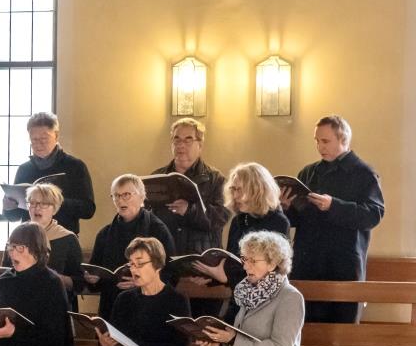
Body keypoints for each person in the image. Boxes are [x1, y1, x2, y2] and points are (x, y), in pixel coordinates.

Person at [281, 115, 384, 324]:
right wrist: (285, 207)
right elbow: (297, 219)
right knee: (306, 330)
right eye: (317, 141)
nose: (320, 146)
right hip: (308, 263)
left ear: (343, 139)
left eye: (325, 141)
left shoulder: (364, 173)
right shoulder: (309, 172)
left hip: (343, 265)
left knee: (341, 331)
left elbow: (373, 214)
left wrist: (333, 205)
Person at [192, 163, 290, 320]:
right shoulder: (238, 220)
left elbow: (271, 273)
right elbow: (234, 262)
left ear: (257, 189)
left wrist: (225, 277)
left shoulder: (278, 221)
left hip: (266, 304)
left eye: (240, 190)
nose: (235, 196)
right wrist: (210, 276)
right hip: (239, 300)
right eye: (233, 189)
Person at [86, 174, 175, 321]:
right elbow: (95, 272)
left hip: (148, 307)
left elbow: (170, 272)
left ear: (142, 197)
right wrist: (93, 279)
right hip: (112, 306)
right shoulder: (105, 233)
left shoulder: (157, 230)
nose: (120, 200)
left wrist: (141, 281)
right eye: (116, 196)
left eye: (126, 195)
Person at [3, 111, 95, 234]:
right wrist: (8, 208)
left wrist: (54, 201)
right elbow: (15, 216)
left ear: (56, 136)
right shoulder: (24, 169)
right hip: (30, 238)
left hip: (63, 238)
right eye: (34, 139)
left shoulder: (75, 166)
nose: (38, 144)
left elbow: (88, 210)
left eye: (44, 138)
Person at [150, 118, 229, 256]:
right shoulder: (156, 177)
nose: (181, 145)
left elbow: (220, 218)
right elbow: (148, 219)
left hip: (202, 262)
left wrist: (190, 210)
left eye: (188, 140)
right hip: (165, 261)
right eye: (177, 139)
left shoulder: (216, 179)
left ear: (200, 145)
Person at [2, 183, 81, 310]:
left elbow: (79, 282)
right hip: (20, 305)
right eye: (32, 203)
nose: (36, 208)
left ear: (55, 209)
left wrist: (55, 278)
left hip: (55, 305)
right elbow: (5, 271)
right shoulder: (17, 236)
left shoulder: (68, 238)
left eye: (43, 204)